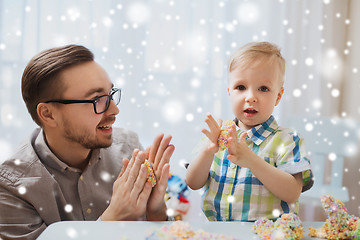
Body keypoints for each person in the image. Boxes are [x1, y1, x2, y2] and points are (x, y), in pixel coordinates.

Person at [0, 44, 175, 239]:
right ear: (48, 114)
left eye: (110, 94)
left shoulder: (128, 148)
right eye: (97, 99)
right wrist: (112, 220)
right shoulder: (13, 186)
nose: (114, 111)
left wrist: (157, 213)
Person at [185, 42, 313, 222]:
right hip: (220, 232)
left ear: (278, 96)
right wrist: (208, 151)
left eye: (263, 88)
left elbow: (292, 193)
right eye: (241, 87)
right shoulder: (218, 135)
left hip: (267, 233)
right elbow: (192, 183)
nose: (250, 97)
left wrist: (251, 160)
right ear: (229, 92)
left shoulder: (288, 140)